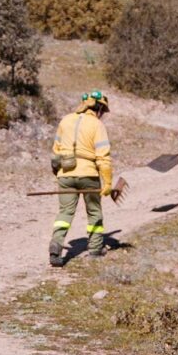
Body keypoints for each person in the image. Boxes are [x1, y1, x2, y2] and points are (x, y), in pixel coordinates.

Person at [48, 90, 112, 267]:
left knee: (65, 213)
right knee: (94, 211)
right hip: (88, 174)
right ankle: (95, 248)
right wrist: (107, 182)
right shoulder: (97, 125)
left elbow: (55, 152)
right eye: (103, 111)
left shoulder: (65, 120)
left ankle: (56, 245)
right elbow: (103, 158)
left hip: (65, 174)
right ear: (99, 109)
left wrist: (58, 172)